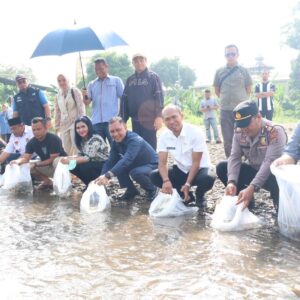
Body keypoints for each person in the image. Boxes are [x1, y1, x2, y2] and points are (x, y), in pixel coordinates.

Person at [216, 100, 287, 211]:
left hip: (273, 174)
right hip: (254, 169)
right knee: (222, 167)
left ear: (258, 117)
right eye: (241, 125)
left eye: (246, 124)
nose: (244, 129)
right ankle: (245, 202)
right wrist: (231, 182)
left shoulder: (274, 131)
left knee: (281, 207)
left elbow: (269, 162)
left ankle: (278, 202)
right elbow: (234, 157)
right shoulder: (239, 132)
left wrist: (252, 187)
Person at [150, 105, 215, 207]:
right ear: (163, 121)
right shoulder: (164, 137)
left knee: (208, 177)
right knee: (154, 175)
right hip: (181, 169)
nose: (171, 121)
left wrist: (188, 184)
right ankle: (186, 195)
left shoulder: (195, 132)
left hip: (199, 169)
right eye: (167, 119)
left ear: (182, 116)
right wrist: (166, 181)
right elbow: (162, 163)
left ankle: (200, 195)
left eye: (174, 117)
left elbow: (196, 162)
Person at [95, 117, 159, 201]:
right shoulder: (115, 142)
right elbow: (110, 161)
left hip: (153, 165)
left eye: (118, 130)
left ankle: (153, 189)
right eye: (112, 131)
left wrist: (108, 175)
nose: (116, 134)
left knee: (134, 172)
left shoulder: (134, 140)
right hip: (136, 164)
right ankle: (131, 190)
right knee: (118, 165)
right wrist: (102, 176)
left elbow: (127, 159)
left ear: (125, 128)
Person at [213, 44, 252, 157]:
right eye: (228, 54)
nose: (230, 56)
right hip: (225, 110)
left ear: (237, 55)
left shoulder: (244, 70)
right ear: (225, 56)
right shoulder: (219, 71)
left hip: (242, 110)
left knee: (245, 135)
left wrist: (239, 100)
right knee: (227, 137)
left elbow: (248, 89)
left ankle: (247, 160)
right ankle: (231, 162)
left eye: (233, 54)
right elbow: (217, 90)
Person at [120, 53, 164, 150]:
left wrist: (159, 116)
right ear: (133, 63)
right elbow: (124, 100)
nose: (139, 63)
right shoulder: (130, 80)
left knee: (150, 146)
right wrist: (122, 119)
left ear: (146, 61)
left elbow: (159, 95)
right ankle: (141, 164)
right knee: (138, 144)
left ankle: (152, 164)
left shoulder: (153, 77)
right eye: (136, 61)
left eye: (141, 60)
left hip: (149, 120)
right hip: (135, 120)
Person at [11, 117, 67, 189]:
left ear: (45, 128)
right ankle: (47, 182)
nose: (36, 132)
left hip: (62, 166)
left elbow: (52, 159)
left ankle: (63, 184)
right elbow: (25, 158)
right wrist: (16, 161)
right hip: (47, 166)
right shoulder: (31, 143)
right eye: (34, 130)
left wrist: (36, 164)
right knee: (26, 165)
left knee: (57, 161)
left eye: (38, 129)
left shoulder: (54, 139)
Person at [84, 58, 124, 145]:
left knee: (116, 145)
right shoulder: (92, 84)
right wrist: (84, 95)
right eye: (96, 69)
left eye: (101, 68)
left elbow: (123, 98)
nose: (98, 71)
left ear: (106, 67)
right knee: (99, 149)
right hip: (96, 122)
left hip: (112, 121)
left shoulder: (116, 81)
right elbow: (87, 103)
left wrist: (121, 116)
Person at [60, 116, 108, 186]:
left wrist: (70, 160)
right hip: (92, 163)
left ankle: (98, 185)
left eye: (83, 127)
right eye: (78, 128)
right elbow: (80, 154)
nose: (80, 130)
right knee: (71, 166)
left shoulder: (95, 138)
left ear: (88, 126)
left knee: (84, 167)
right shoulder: (82, 140)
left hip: (103, 164)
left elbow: (87, 158)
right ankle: (88, 184)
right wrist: (68, 158)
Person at [54, 74, 86, 155]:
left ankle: (79, 165)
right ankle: (69, 167)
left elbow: (81, 107)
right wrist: (57, 126)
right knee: (65, 149)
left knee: (77, 146)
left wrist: (82, 121)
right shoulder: (58, 95)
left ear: (68, 80)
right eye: (59, 81)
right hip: (64, 125)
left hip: (75, 123)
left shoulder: (74, 91)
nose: (62, 82)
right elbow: (57, 112)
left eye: (63, 80)